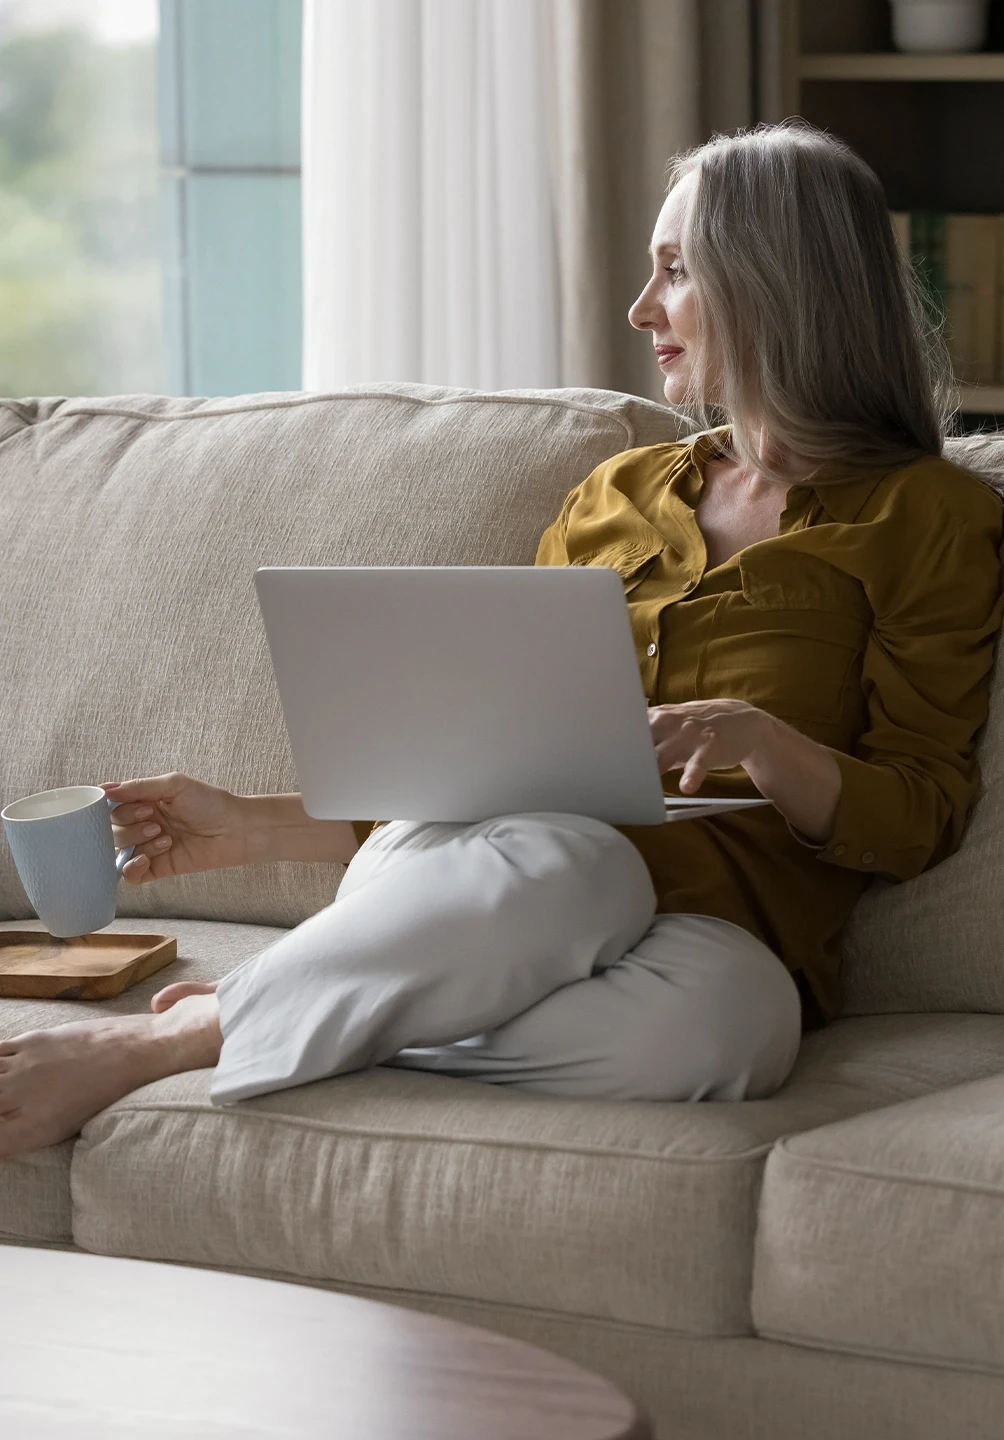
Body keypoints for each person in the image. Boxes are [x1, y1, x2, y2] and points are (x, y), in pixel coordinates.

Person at [1, 122, 1001, 1157]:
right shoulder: (615, 494)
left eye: (672, 271)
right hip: (493, 868)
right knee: (581, 862)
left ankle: (318, 1011)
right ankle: (181, 1041)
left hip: (711, 932)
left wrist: (763, 740)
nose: (639, 309)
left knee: (733, 1029)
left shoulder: (927, 518)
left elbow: (919, 813)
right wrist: (252, 823)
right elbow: (485, 763)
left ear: (772, 285)